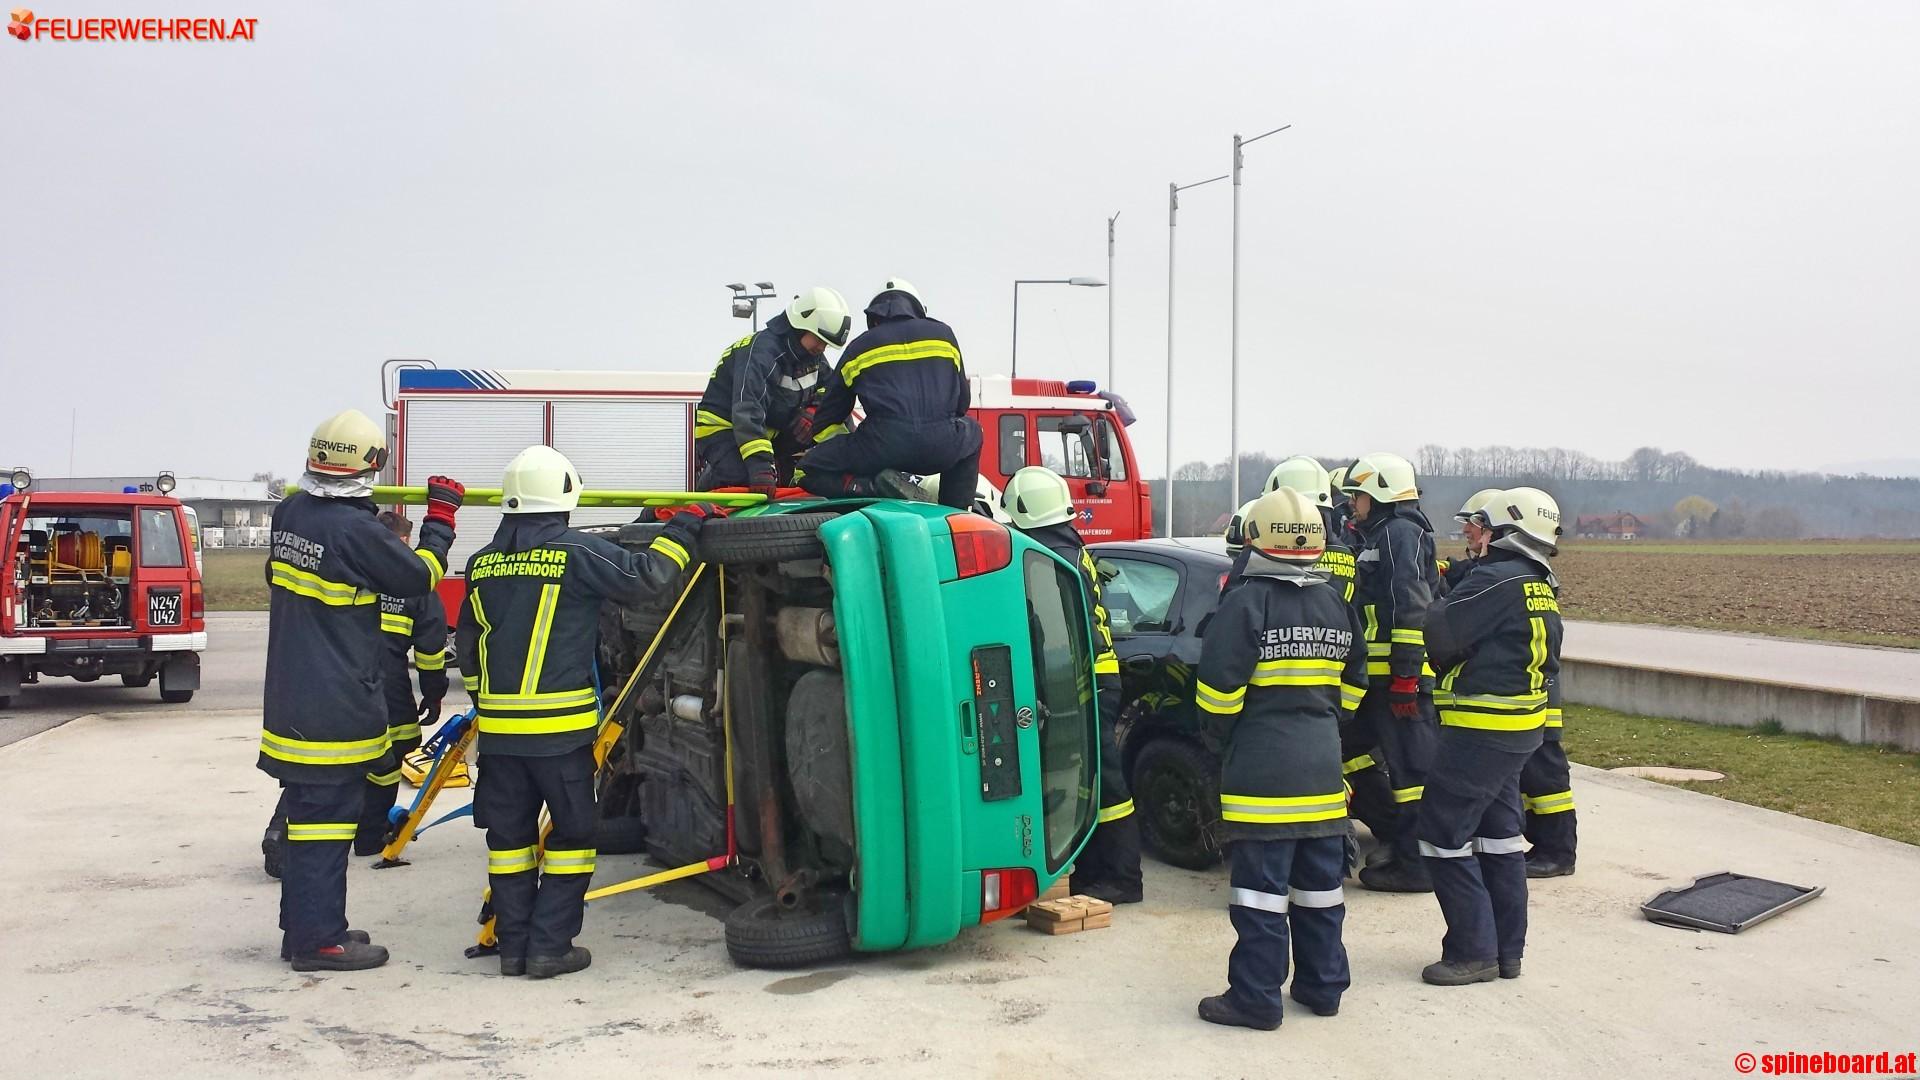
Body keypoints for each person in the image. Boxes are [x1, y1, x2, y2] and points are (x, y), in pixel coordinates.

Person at [456, 445, 711, 978]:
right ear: (565, 497)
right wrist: (684, 528)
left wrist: (491, 707)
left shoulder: (481, 565)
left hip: (500, 740)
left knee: (509, 843)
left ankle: (514, 949)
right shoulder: (574, 553)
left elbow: (471, 649)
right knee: (572, 838)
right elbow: (648, 578)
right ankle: (550, 948)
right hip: (561, 739)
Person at [260, 409, 462, 971]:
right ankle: (321, 941)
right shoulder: (354, 531)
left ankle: (303, 927)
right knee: (326, 826)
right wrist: (440, 519)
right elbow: (419, 578)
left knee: (305, 823)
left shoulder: (292, 513)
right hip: (335, 704)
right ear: (373, 464)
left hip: (294, 700)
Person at [1194, 487, 1367, 1030]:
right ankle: (1322, 988)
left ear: (1253, 539)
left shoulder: (1245, 601)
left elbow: (1218, 693)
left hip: (1262, 773)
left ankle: (1256, 999)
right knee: (1321, 891)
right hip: (1321, 769)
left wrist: (1222, 744)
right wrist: (1322, 725)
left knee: (1260, 895)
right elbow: (1356, 686)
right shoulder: (1334, 600)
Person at [1417, 486, 1565, 985]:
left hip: (1479, 732)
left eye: (1478, 524)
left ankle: (1471, 951)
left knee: (1442, 835)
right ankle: (1507, 952)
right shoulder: (1539, 580)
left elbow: (1438, 632)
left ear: (1504, 531)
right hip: (1518, 732)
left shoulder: (1495, 580)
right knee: (1499, 837)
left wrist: (1446, 595)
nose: (1467, 533)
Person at [1003, 466, 1142, 903]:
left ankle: (1123, 878)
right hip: (1097, 675)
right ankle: (1095, 869)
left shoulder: (1044, 556)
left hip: (1087, 679)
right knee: (1089, 778)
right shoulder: (1070, 547)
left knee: (1106, 779)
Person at [1265, 456, 1389, 861]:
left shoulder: (1289, 554)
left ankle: (1341, 844)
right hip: (1341, 677)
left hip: (1299, 680)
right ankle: (1355, 839)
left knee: (1325, 771)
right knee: (1341, 762)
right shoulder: (1346, 551)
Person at [1341, 452, 1441, 893]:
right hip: (1376, 680)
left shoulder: (1401, 534)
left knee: (1413, 773)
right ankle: (1395, 838)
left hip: (1397, 680)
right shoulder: (1379, 534)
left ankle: (1418, 864)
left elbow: (1409, 604)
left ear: (1380, 494)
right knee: (1351, 750)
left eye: (1359, 496)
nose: (1354, 504)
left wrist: (1406, 675)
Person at [799, 278, 983, 509]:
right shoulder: (944, 335)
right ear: (917, 309)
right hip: (940, 447)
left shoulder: (859, 347)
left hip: (880, 449)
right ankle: (954, 512)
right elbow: (961, 404)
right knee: (973, 432)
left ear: (874, 316)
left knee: (806, 470)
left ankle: (870, 488)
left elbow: (826, 418)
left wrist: (850, 449)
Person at [694, 286, 853, 497]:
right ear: (801, 326)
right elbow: (748, 411)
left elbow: (833, 391)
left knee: (794, 481)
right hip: (724, 429)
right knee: (743, 483)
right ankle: (676, 504)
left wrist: (814, 410)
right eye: (820, 340)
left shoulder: (812, 358)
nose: (822, 348)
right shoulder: (762, 353)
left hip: (769, 431)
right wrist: (760, 466)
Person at [355, 511, 452, 855]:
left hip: (342, 684)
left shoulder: (353, 569)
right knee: (389, 759)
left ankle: (283, 830)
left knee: (330, 764)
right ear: (406, 542)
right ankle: (370, 834)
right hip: (389, 688)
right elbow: (430, 647)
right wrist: (434, 693)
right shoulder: (414, 585)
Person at [1439, 488, 1504, 592]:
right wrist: (1448, 567)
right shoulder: (1489, 565)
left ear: (1495, 529)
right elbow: (1471, 566)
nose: (1465, 530)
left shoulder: (1490, 577)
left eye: (1473, 523)